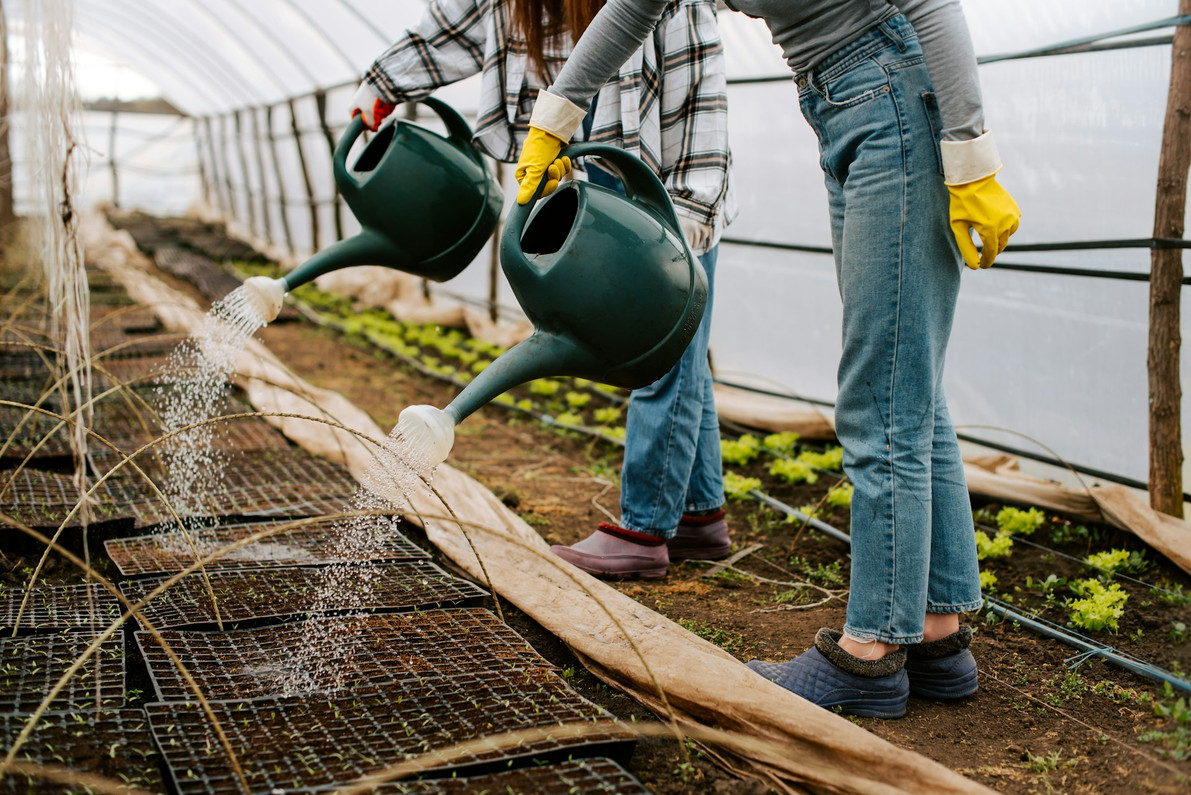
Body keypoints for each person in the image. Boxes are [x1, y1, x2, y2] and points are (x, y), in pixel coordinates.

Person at [513, 0, 1021, 718]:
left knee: (880, 394)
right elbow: (632, 8)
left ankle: (870, 654)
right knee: (908, 379)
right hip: (848, 102)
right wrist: (554, 119)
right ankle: (935, 631)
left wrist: (970, 154)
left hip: (891, 101)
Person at [348, 0, 737, 579]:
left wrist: (681, 214)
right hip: (582, 167)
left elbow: (693, 90)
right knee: (678, 344)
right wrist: (382, 83)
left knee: (658, 341)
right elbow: (454, 25)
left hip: (664, 171)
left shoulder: (664, 7)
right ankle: (700, 520)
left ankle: (645, 530)